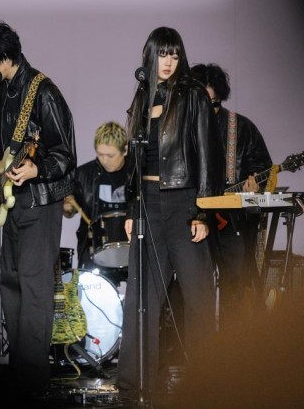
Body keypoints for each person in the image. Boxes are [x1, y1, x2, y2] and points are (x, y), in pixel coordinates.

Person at [0, 21, 77, 400]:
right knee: (12, 286)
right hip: (11, 203)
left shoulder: (44, 93)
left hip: (40, 203)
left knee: (34, 289)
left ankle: (32, 382)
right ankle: (19, 374)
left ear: (4, 57)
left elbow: (65, 154)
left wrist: (37, 168)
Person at [116, 26, 225, 397]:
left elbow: (209, 155)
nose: (168, 62)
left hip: (184, 201)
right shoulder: (142, 95)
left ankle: (207, 385)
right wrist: (132, 207)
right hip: (147, 202)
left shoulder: (193, 94)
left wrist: (202, 211)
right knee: (140, 300)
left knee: (198, 296)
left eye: (174, 55)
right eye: (163, 54)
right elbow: (134, 160)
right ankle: (133, 385)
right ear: (150, 55)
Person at [190, 63, 273, 330]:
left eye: (213, 104)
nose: (207, 110)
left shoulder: (242, 128)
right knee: (191, 283)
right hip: (191, 216)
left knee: (236, 281)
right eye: (200, 103)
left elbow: (263, 168)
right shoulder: (182, 129)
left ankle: (232, 344)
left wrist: (255, 184)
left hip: (232, 219)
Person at [63, 121, 130, 287]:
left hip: (131, 243)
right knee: (92, 293)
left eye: (110, 155)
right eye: (100, 154)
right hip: (94, 247)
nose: (105, 160)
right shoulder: (83, 174)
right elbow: (69, 212)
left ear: (125, 150)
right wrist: (67, 207)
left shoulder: (135, 173)